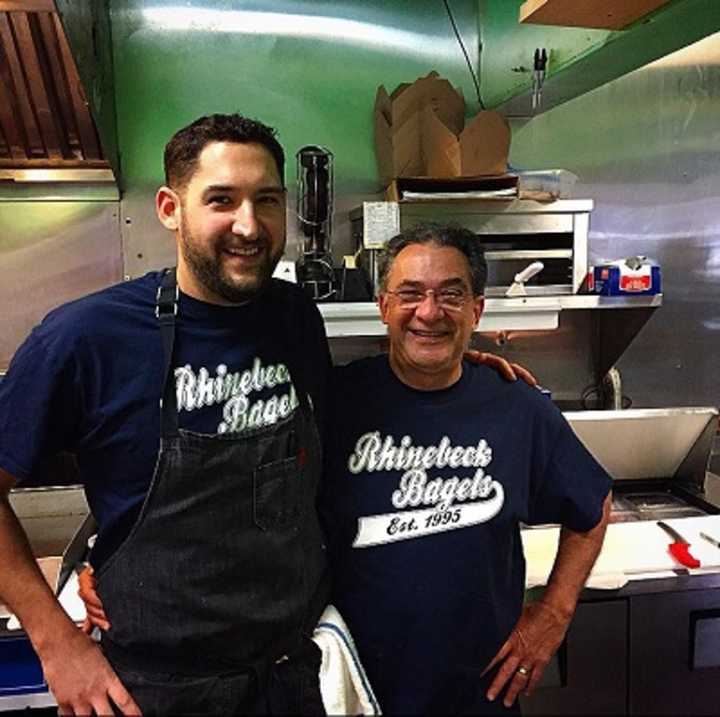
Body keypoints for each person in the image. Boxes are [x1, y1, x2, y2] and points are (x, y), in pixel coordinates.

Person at [0, 115, 527, 716]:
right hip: (157, 690)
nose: (248, 226)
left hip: (290, 678)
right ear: (171, 208)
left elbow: (336, 429)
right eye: (221, 200)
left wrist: (443, 359)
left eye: (267, 200)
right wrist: (55, 641)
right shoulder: (86, 337)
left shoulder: (292, 315)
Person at [320, 223, 612, 714]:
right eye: (410, 294)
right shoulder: (335, 401)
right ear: (383, 307)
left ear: (476, 310)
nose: (429, 313)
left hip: (480, 694)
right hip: (356, 692)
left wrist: (553, 615)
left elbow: (592, 504)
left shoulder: (517, 407)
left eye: (450, 296)